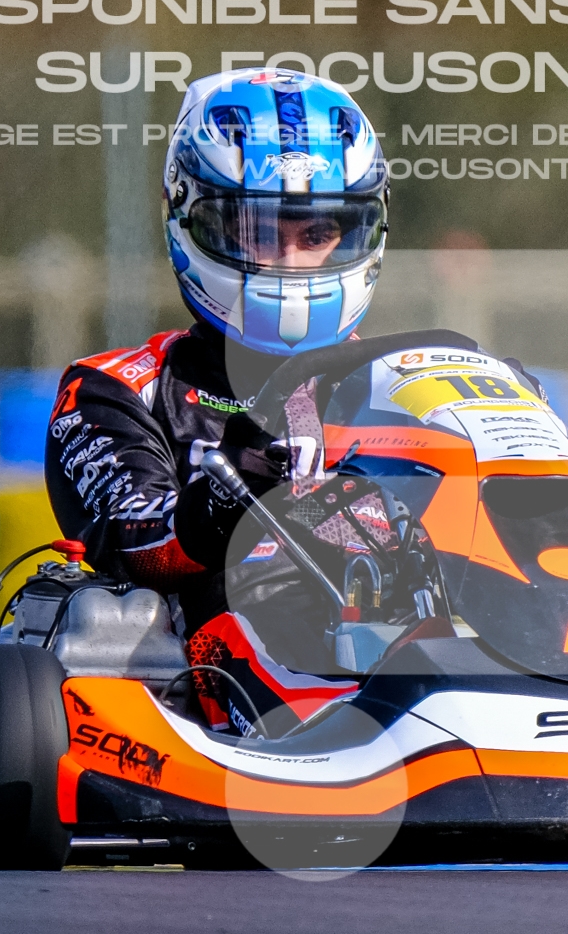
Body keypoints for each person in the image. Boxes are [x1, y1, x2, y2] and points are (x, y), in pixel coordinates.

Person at [42, 67, 400, 724]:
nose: (290, 260)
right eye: (260, 232)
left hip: (426, 664)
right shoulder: (117, 388)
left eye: (316, 235)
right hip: (224, 692)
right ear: (194, 222)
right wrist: (223, 500)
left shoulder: (405, 383)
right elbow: (136, 539)